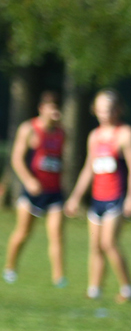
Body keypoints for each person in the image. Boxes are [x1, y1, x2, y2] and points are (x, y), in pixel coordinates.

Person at [64, 90, 131, 302]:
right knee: (95, 245)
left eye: (107, 109)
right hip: (98, 198)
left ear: (117, 110)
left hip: (117, 198)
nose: (102, 113)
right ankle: (94, 289)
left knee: (109, 243)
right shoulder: (95, 136)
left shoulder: (125, 134)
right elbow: (89, 169)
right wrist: (75, 197)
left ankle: (128, 289)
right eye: (99, 109)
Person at [5, 91, 68, 287]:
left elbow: (59, 161)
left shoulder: (61, 132)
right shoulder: (29, 129)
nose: (55, 112)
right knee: (23, 232)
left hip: (54, 192)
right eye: (52, 108)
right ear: (42, 109)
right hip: (32, 192)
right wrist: (29, 180)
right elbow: (16, 158)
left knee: (57, 233)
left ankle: (59, 278)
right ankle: (10, 267)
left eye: (57, 108)